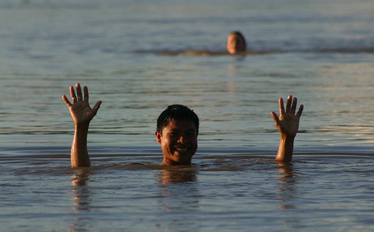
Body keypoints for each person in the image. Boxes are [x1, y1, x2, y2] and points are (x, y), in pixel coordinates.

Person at [62, 83, 303, 167]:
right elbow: (81, 173)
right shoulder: (140, 169)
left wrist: (286, 139)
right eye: (174, 134)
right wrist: (81, 128)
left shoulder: (212, 168)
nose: (182, 142)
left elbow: (281, 168)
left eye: (189, 135)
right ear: (158, 137)